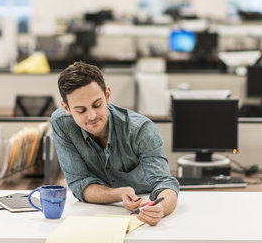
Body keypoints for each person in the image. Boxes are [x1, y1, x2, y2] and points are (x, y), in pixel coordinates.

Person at [51, 61, 179, 226]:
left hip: (145, 206)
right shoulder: (62, 123)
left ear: (108, 95)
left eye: (97, 105)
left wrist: (160, 208)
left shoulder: (140, 129)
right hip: (96, 212)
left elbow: (165, 184)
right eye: (81, 110)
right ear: (66, 108)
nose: (91, 116)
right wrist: (119, 194)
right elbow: (78, 184)